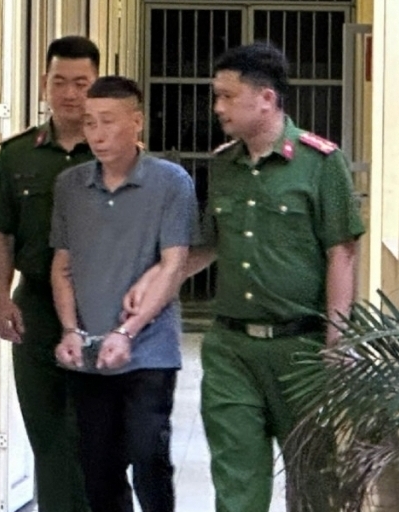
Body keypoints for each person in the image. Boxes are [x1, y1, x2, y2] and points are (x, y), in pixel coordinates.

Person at [172, 42, 363, 512]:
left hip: (301, 351)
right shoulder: (223, 164)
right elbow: (210, 245)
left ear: (267, 98)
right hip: (231, 350)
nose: (218, 108)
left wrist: (336, 343)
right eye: (216, 96)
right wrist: (153, 283)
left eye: (227, 96)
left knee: (313, 485)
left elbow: (342, 252)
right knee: (236, 484)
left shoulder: (322, 163)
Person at [52, 76, 198, 512]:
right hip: (89, 350)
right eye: (89, 122)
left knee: (148, 454)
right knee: (98, 466)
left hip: (150, 349)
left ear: (136, 122)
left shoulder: (170, 182)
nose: (96, 134)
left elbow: (173, 264)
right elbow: (62, 267)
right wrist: (70, 330)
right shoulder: (70, 186)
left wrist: (128, 331)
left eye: (108, 121)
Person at [0, 35, 99, 512]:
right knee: (47, 436)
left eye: (81, 83)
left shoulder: (116, 153)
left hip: (102, 309)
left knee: (94, 435)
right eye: (60, 82)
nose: (69, 93)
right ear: (44, 83)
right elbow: (0, 234)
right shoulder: (17, 155)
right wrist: (2, 299)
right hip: (37, 309)